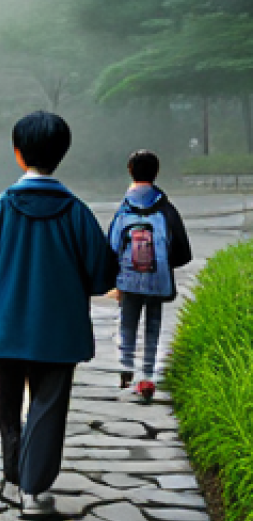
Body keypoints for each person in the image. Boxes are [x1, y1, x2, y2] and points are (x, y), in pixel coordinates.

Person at [0, 111, 118, 520]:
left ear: (17, 153)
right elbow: (101, 276)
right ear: (62, 155)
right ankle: (34, 488)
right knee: (47, 406)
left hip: (6, 329)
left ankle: (14, 473)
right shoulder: (77, 212)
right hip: (59, 334)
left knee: (7, 402)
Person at [107, 149, 192, 404]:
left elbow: (111, 246)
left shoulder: (124, 209)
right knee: (153, 327)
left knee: (127, 323)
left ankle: (126, 368)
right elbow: (182, 251)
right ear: (156, 173)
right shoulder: (166, 209)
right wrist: (163, 266)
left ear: (130, 171)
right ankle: (147, 377)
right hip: (158, 279)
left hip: (129, 279)